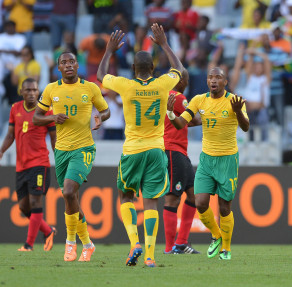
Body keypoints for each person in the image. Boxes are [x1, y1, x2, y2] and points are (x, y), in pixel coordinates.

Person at [96, 24, 184, 267]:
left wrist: (109, 50)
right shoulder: (162, 84)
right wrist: (164, 44)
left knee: (126, 196)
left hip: (132, 150)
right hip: (156, 150)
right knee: (152, 201)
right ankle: (149, 256)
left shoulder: (126, 85)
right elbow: (180, 69)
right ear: (153, 68)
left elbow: (100, 76)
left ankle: (134, 241)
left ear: (133, 69)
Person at [33, 52, 110, 262]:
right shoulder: (51, 89)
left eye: (71, 62)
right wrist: (52, 117)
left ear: (78, 65)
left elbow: (106, 111)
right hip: (61, 150)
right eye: (63, 62)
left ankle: (69, 243)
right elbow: (36, 118)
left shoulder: (90, 87)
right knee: (72, 198)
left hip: (83, 149)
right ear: (58, 68)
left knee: (68, 192)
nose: (68, 65)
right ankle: (88, 244)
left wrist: (99, 117)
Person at [167, 67, 249, 261]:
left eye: (218, 77)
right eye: (210, 77)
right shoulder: (198, 100)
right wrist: (170, 113)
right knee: (201, 202)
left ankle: (226, 249)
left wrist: (238, 112)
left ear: (225, 82)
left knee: (224, 207)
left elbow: (245, 127)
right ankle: (217, 235)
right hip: (206, 159)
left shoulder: (235, 101)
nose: (213, 80)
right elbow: (181, 123)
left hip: (228, 158)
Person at [0, 78, 56, 252]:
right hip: (21, 166)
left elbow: (54, 138)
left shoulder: (46, 111)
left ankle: (28, 245)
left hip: (39, 163)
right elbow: (10, 135)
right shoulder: (15, 109)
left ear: (38, 92)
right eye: (29, 90)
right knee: (24, 207)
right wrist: (1, 150)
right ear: (21, 92)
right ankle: (48, 231)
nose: (32, 93)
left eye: (35, 90)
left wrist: (60, 159)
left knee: (34, 201)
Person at [163, 70, 201, 255]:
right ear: (181, 80)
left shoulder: (164, 95)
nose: (187, 83)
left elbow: (186, 121)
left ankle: (181, 243)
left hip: (180, 151)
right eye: (186, 79)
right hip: (172, 149)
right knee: (173, 197)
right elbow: (194, 119)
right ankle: (170, 247)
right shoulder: (177, 96)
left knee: (193, 195)